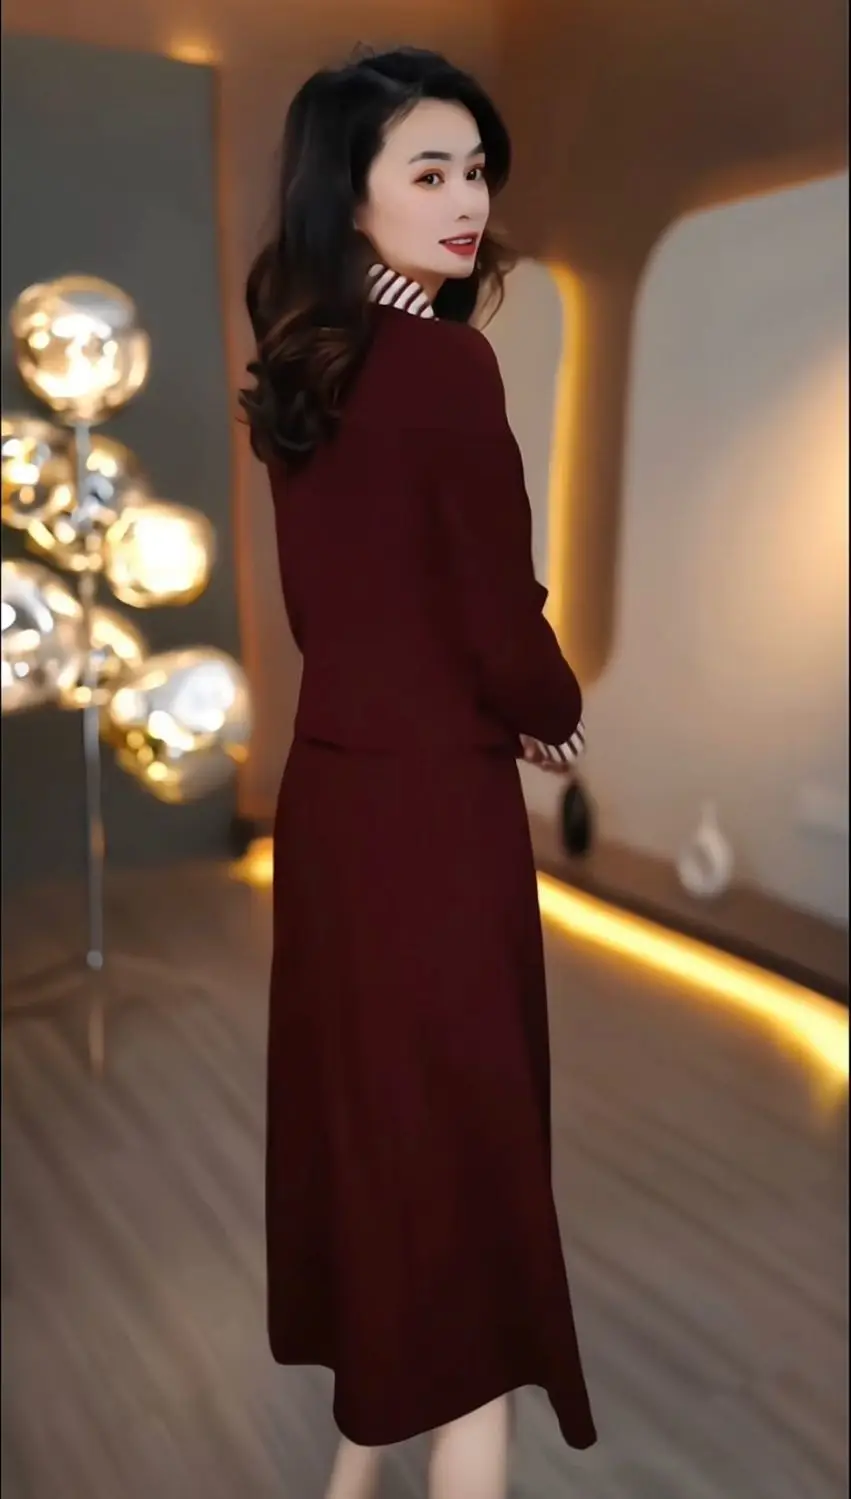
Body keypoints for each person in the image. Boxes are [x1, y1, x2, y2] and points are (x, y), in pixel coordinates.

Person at [239, 45, 597, 1499]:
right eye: (430, 172)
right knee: (466, 1168)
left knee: (377, 1140)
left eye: (476, 170)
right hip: (436, 814)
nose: (467, 202)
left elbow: (358, 600)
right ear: (352, 194)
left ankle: (350, 1471)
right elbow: (491, 607)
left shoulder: (305, 359)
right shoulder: (449, 363)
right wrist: (552, 707)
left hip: (333, 799)